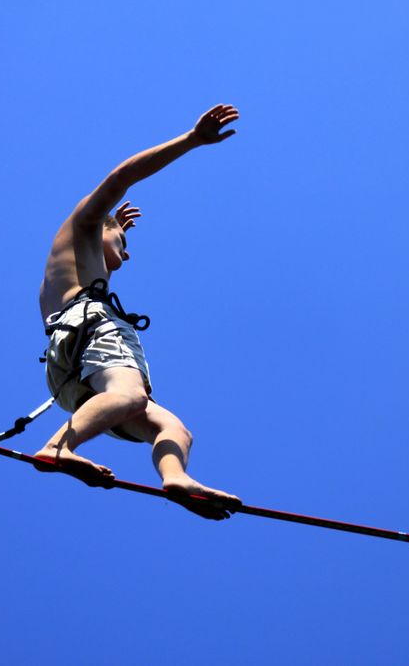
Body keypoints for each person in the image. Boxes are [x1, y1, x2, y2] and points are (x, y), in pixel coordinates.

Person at [35, 104, 241, 520]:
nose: (125, 257)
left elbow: (100, 252)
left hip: (71, 372)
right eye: (123, 245)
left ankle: (175, 478)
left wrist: (115, 233)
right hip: (91, 331)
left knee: (175, 429)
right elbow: (119, 179)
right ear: (101, 227)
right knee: (130, 395)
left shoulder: (79, 261)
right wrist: (192, 140)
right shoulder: (85, 223)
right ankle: (58, 447)